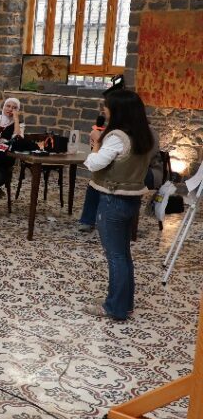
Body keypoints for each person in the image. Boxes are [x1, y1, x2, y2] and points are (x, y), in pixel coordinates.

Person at [82, 89, 155, 321]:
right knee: (123, 254)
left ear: (118, 110)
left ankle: (114, 307)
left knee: (115, 256)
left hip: (113, 200)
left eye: (107, 106)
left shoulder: (116, 137)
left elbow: (94, 164)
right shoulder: (145, 134)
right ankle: (125, 304)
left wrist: (94, 143)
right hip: (131, 199)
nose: (104, 110)